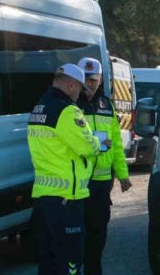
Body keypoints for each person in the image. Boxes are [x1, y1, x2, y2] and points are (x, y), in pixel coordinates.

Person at [27, 64, 111, 275]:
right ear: (71, 84)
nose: (79, 95)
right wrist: (97, 142)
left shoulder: (39, 107)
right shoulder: (67, 111)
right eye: (79, 89)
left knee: (48, 259)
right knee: (71, 259)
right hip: (66, 198)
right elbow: (88, 147)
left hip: (43, 195)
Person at [75, 57, 132, 275]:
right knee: (78, 234)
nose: (90, 84)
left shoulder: (105, 104)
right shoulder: (72, 104)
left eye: (94, 80)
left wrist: (123, 174)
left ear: (100, 80)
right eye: (86, 79)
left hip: (101, 183)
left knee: (99, 234)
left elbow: (116, 142)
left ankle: (93, 270)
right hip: (79, 181)